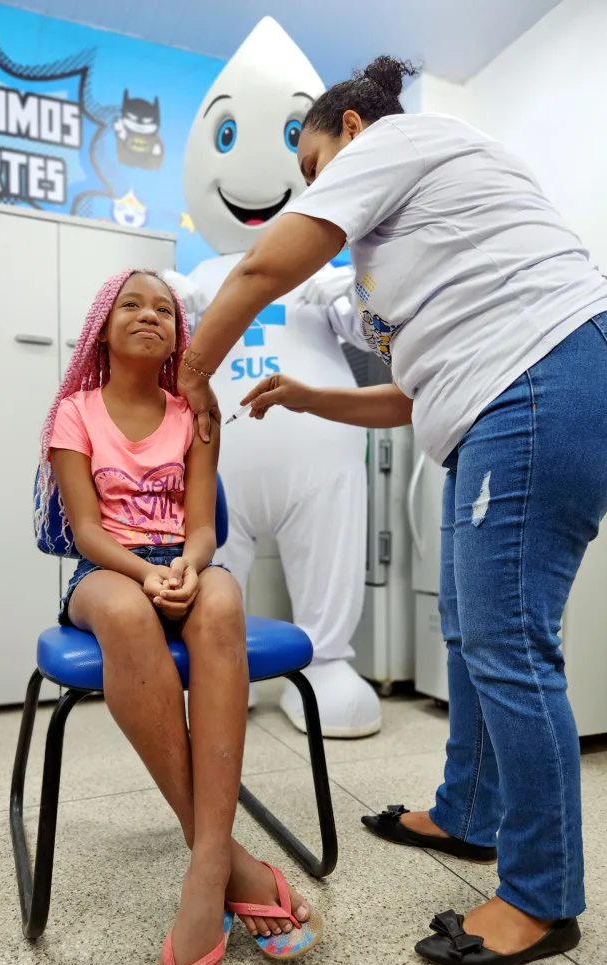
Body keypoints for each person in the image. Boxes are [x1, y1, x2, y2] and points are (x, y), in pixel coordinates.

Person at [175, 57, 607, 965]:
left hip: (557, 378)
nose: (318, 187)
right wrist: (312, 398)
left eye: (314, 166)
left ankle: (541, 897)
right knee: (471, 626)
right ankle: (467, 811)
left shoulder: (402, 137)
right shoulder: (409, 246)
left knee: (508, 640)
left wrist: (193, 374)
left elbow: (273, 261)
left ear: (351, 130)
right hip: (526, 392)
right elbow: (411, 389)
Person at [35, 270, 321, 965]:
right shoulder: (74, 412)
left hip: (181, 562)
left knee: (224, 594)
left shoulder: (194, 411)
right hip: (106, 572)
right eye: (132, 303)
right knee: (128, 613)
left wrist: (191, 567)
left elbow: (202, 523)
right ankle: (233, 868)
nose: (150, 315)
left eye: (164, 308)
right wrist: (144, 572)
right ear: (102, 326)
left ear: (178, 334)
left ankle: (203, 878)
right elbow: (86, 529)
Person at [166, 15, 380, 737]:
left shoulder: (324, 266)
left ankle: (324, 662)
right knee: (213, 558)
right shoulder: (200, 274)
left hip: (320, 448)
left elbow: (368, 333)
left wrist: (344, 295)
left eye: (299, 145)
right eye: (225, 139)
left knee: (330, 544)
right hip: (217, 455)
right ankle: (212, 662)